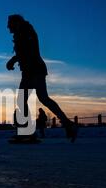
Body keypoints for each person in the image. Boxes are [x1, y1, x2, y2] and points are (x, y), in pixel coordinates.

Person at [6, 14, 77, 142]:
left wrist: (13, 59)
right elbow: (25, 51)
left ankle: (28, 132)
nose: (7, 27)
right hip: (32, 70)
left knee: (26, 100)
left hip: (33, 70)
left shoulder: (25, 31)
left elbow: (28, 51)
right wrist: (15, 59)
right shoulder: (23, 32)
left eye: (9, 24)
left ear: (15, 23)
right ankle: (68, 124)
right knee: (41, 98)